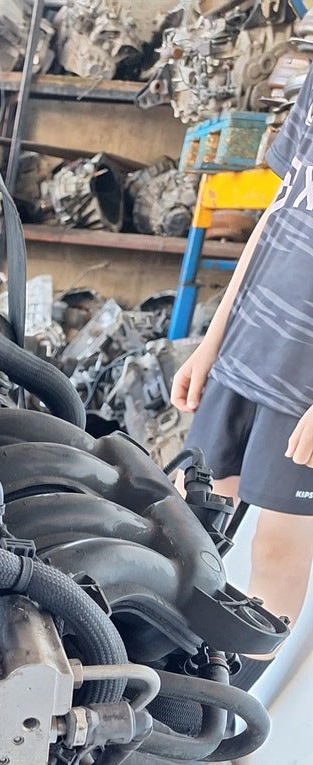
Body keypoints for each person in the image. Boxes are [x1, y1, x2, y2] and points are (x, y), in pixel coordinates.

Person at [171, 67, 313, 645]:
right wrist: (213, 341)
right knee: (185, 519)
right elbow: (278, 209)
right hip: (247, 344)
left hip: (306, 380)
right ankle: (162, 680)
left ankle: (228, 696)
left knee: (275, 550)